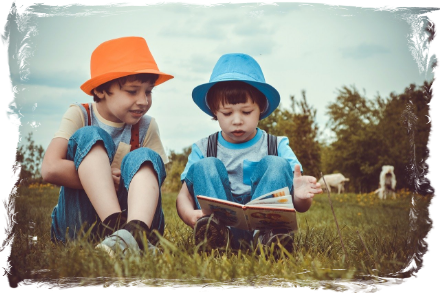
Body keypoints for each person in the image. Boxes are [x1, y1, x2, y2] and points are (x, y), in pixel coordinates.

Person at [176, 53, 322, 251]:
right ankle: (215, 238)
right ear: (214, 111)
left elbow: (300, 205)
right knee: (205, 166)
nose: (237, 120)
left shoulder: (277, 145)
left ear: (261, 108)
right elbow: (183, 195)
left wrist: (301, 198)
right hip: (221, 225)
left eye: (246, 112)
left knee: (276, 164)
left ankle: (268, 240)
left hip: (266, 227)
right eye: (227, 113)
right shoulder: (203, 148)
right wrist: (188, 214)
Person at [41, 36, 173, 256]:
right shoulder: (80, 114)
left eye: (148, 91)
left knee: (145, 157)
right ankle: (119, 231)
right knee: (90, 135)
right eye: (132, 91)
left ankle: (135, 232)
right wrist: (100, 179)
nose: (143, 100)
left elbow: (156, 176)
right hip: (79, 225)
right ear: (101, 90)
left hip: (136, 216)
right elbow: (50, 168)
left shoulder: (147, 126)